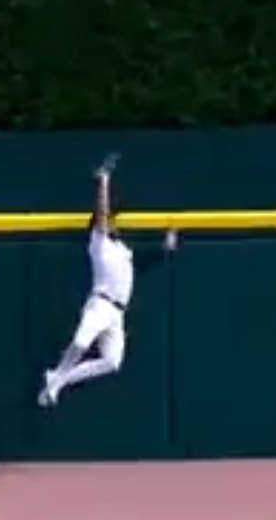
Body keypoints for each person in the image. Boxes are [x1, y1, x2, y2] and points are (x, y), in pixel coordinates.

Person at [37, 158, 178, 408]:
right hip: (100, 303)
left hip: (117, 313)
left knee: (113, 362)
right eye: (109, 220)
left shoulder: (121, 249)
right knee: (81, 343)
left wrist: (163, 249)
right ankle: (57, 378)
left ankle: (58, 378)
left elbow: (139, 263)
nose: (112, 221)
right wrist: (104, 179)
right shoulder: (98, 241)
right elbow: (102, 213)